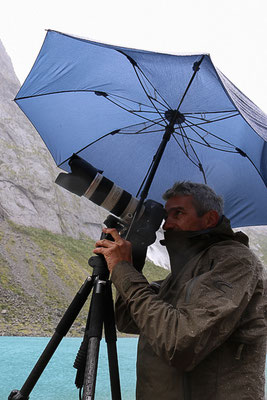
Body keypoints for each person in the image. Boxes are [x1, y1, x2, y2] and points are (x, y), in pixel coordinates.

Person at [93, 181, 267, 400]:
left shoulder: (236, 264)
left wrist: (122, 270)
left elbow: (180, 342)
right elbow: (129, 319)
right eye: (166, 216)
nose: (166, 225)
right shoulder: (179, 275)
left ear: (210, 219)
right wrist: (132, 261)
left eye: (178, 214)